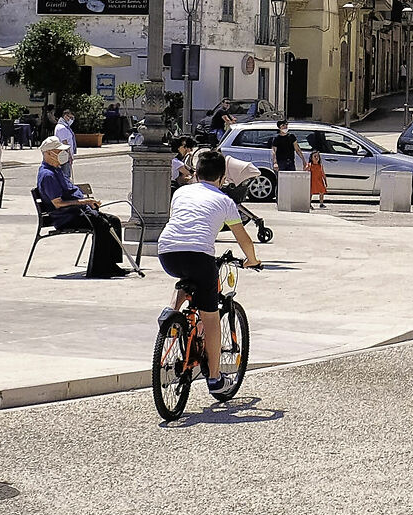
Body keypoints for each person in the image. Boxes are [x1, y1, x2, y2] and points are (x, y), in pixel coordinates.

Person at [157, 147, 266, 385]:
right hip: (199, 255)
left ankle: (172, 313)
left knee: (185, 278)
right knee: (211, 318)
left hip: (166, 252)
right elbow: (243, 238)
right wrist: (252, 260)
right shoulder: (225, 201)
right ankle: (215, 378)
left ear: (196, 174)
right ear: (222, 178)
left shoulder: (182, 193)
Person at [35, 138, 132, 277]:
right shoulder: (48, 175)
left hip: (78, 212)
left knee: (114, 220)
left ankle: (111, 264)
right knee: (102, 225)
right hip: (66, 217)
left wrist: (87, 202)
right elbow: (58, 203)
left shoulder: (56, 170)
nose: (63, 153)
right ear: (49, 153)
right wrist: (83, 202)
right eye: (59, 151)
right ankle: (99, 268)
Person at [271, 117, 297, 191]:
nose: (285, 127)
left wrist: (304, 160)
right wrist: (275, 163)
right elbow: (273, 151)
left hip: (291, 162)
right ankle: (279, 200)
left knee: (291, 182)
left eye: (286, 125)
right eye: (283, 125)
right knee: (280, 182)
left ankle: (290, 199)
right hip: (280, 163)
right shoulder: (276, 138)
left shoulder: (291, 137)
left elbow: (297, 149)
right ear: (279, 127)